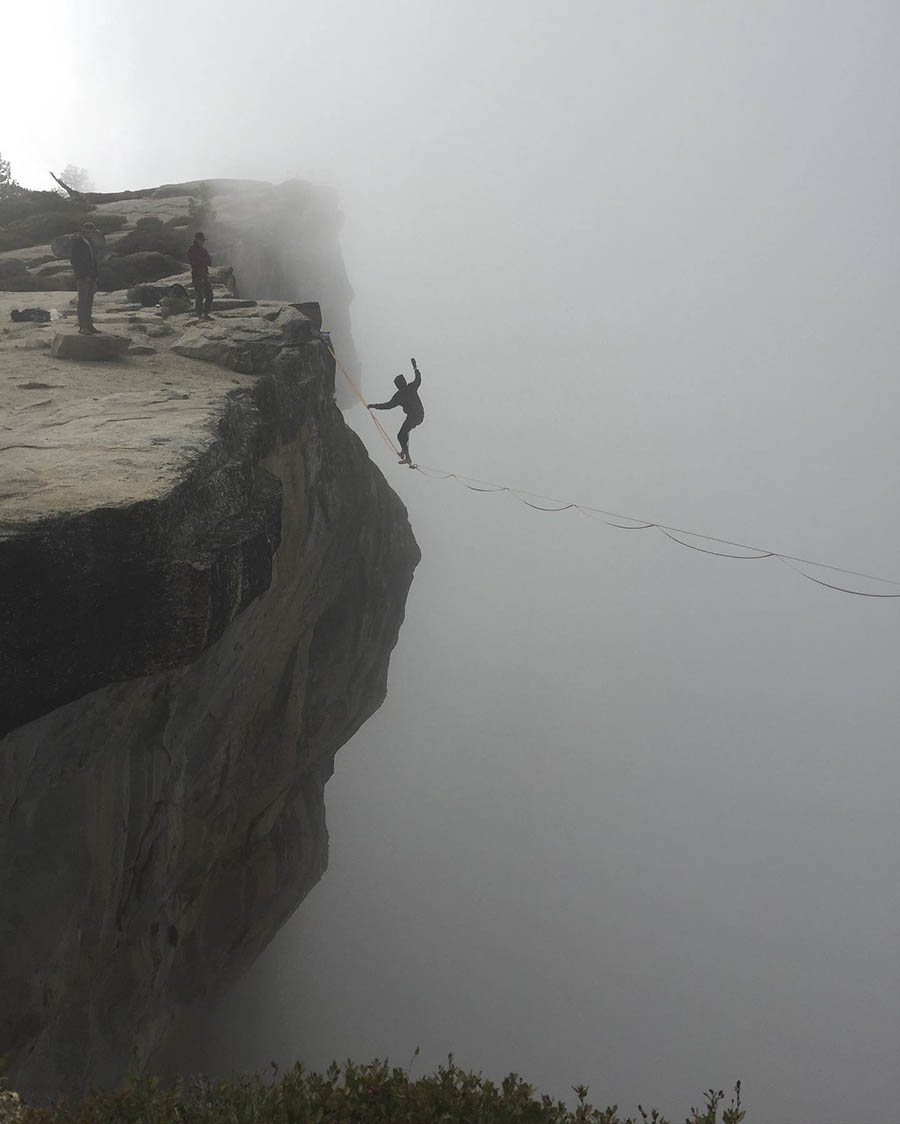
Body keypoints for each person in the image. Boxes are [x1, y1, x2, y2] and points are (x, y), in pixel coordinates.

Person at [368, 358, 424, 465]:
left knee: (401, 435)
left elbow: (387, 406)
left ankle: (407, 457)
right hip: (419, 415)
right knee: (403, 434)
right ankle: (404, 452)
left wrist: (373, 406)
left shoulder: (399, 395)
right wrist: (415, 366)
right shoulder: (411, 387)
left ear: (397, 386)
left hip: (414, 416)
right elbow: (418, 379)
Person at [69, 221, 103, 335]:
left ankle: (89, 325)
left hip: (92, 276)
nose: (92, 234)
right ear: (84, 231)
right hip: (83, 277)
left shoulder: (90, 242)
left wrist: (95, 276)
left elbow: (94, 260)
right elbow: (75, 261)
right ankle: (82, 326)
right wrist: (83, 275)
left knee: (89, 302)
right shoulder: (77, 242)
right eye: (90, 232)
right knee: (83, 302)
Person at [187, 231, 214, 320]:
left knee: (209, 294)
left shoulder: (203, 250)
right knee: (199, 296)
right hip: (197, 275)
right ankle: (199, 315)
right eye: (202, 240)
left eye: (203, 240)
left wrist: (202, 261)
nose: (203, 242)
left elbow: (209, 261)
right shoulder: (192, 250)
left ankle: (206, 314)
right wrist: (203, 261)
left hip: (204, 274)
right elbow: (194, 262)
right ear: (197, 239)